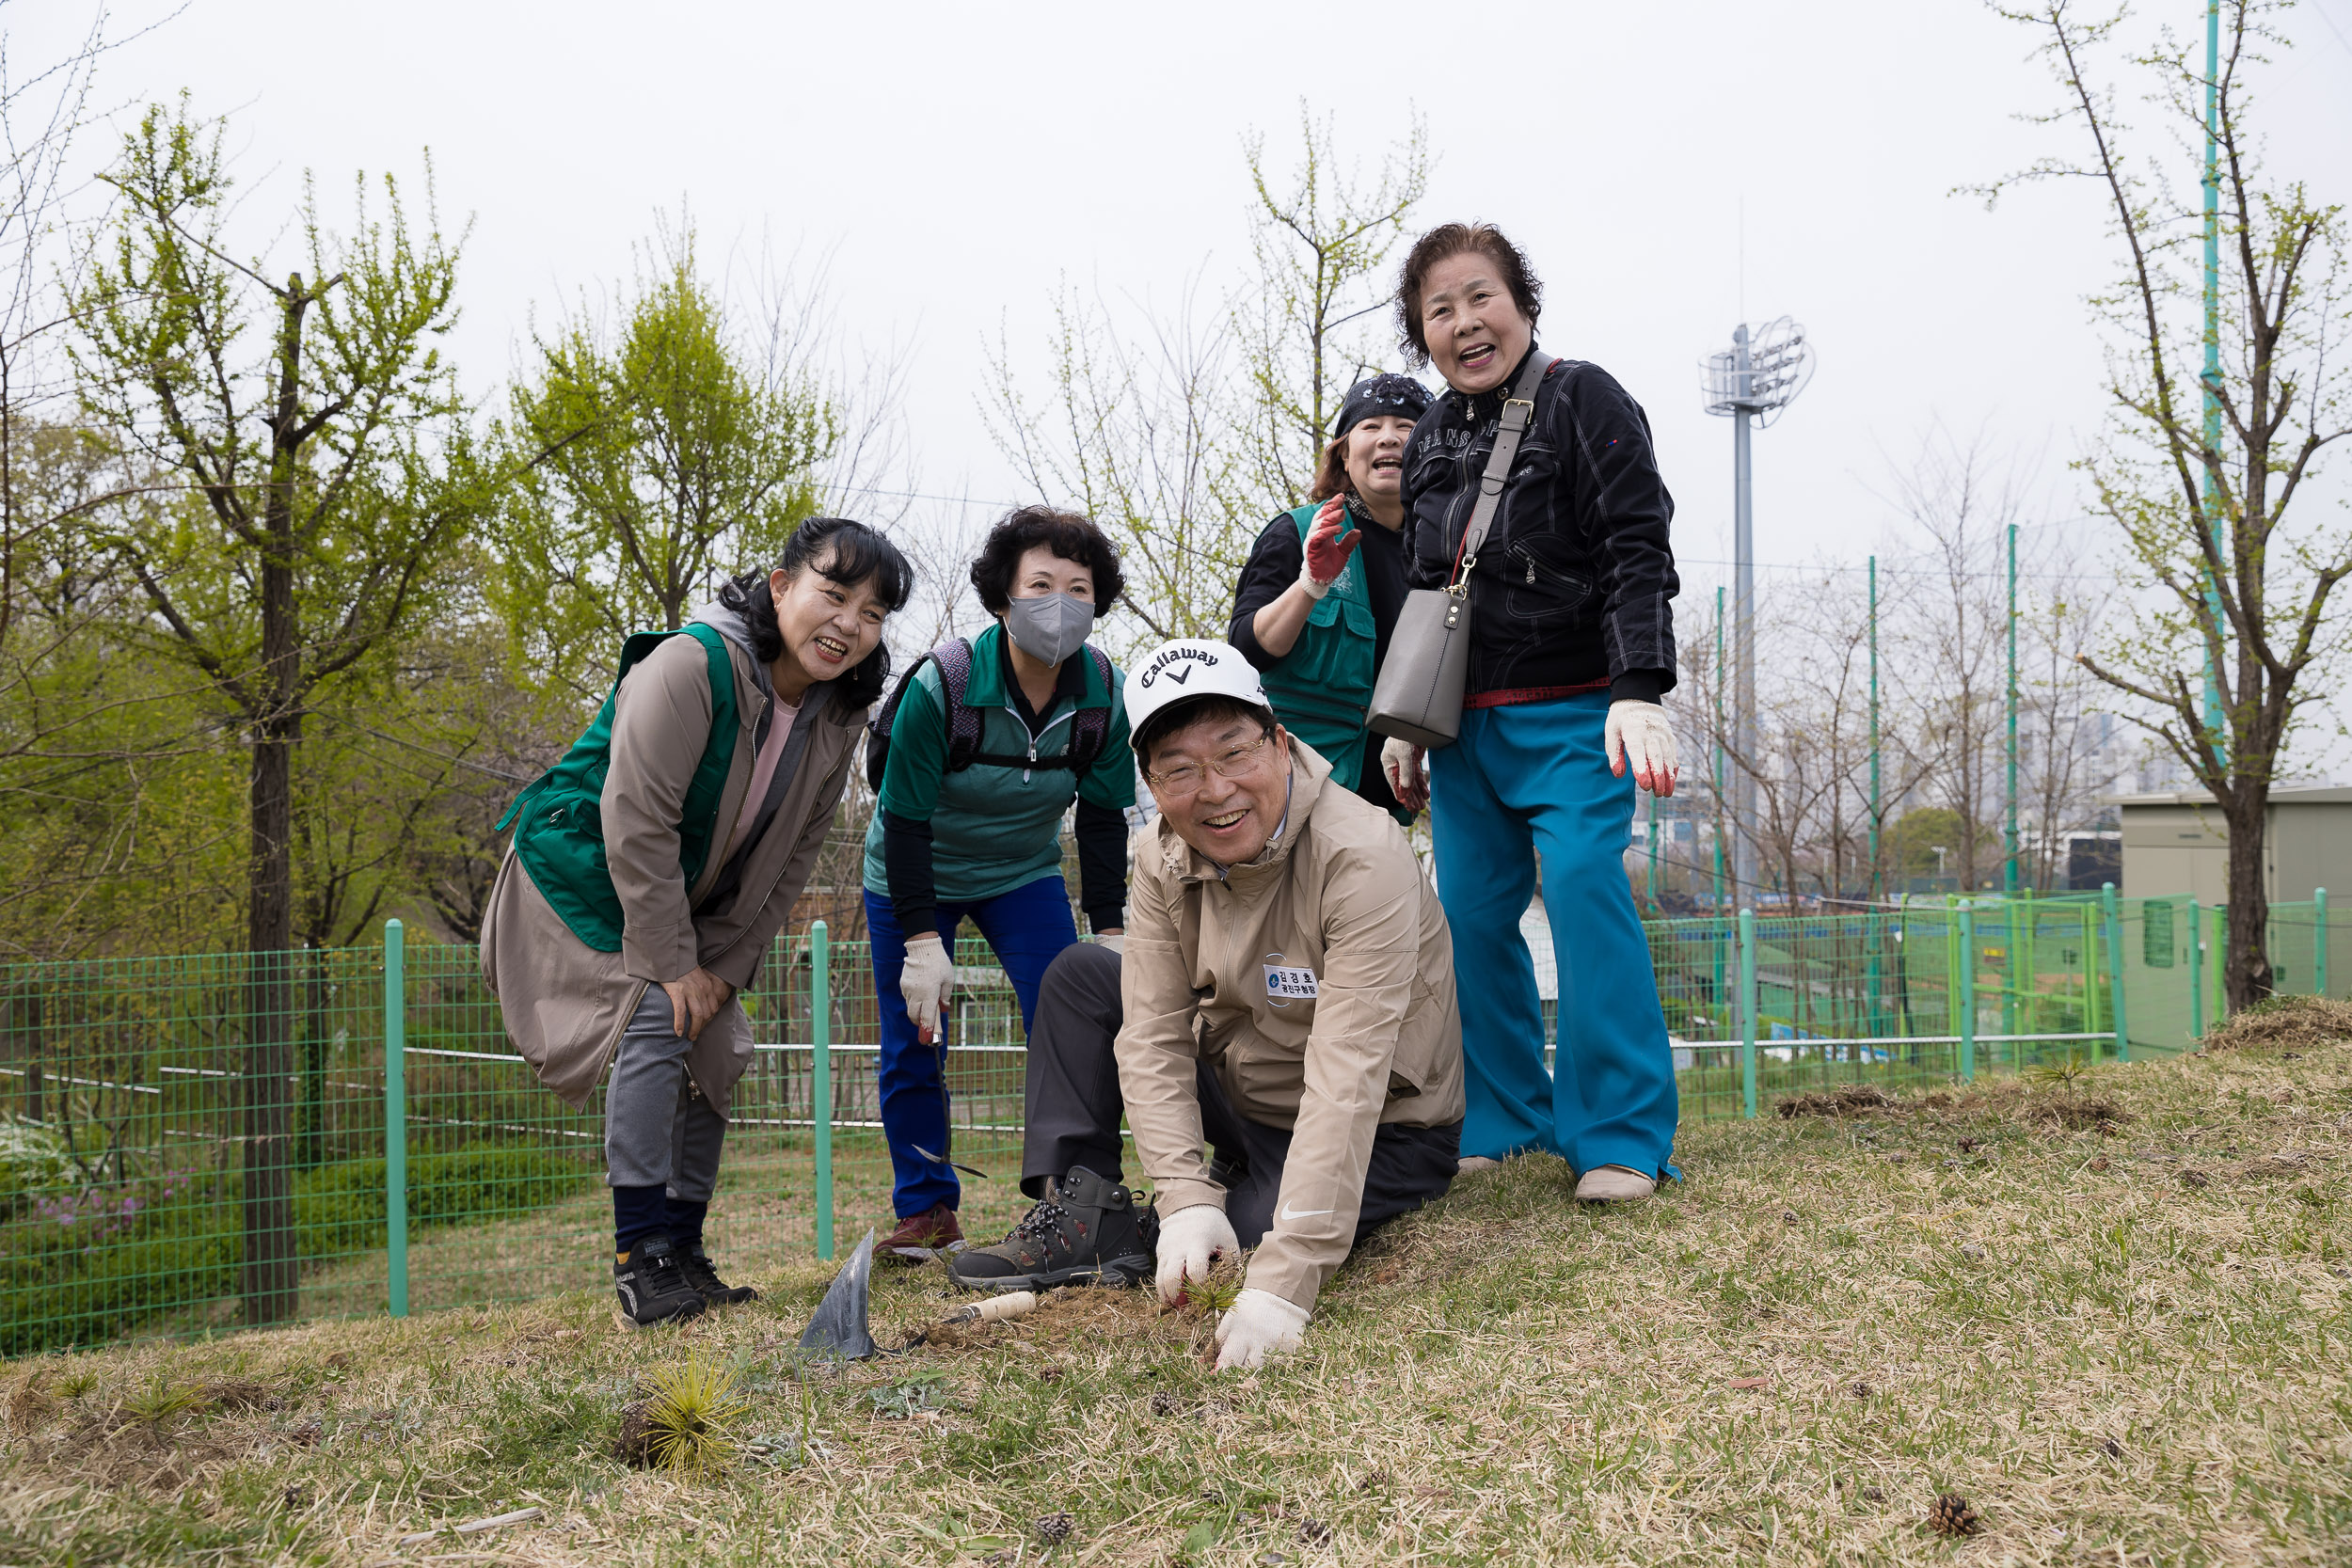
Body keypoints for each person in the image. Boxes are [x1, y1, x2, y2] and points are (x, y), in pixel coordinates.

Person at [947, 640, 1463, 1372]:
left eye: (1233, 752)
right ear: (1152, 785)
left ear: (1280, 744)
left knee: (1253, 1235)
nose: (1215, 790)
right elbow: (1153, 1031)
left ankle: (1175, 1224)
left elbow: (1350, 1075)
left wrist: (1285, 1285)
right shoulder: (1159, 857)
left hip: (1388, 1123)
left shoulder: (1362, 856)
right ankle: (1087, 1213)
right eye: (1180, 769)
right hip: (1249, 1096)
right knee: (1082, 974)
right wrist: (1186, 1192)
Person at [482, 516, 912, 1327]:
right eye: (834, 593)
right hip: (582, 871)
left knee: (719, 1036)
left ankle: (682, 1248)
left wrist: (728, 966)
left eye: (875, 612)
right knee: (658, 1015)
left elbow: (791, 864)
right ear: (781, 587)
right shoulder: (690, 664)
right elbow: (636, 820)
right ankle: (638, 1255)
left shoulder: (839, 713)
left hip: (685, 896)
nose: (851, 624)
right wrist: (677, 963)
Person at [1375, 222, 1683, 1202]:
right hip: (1466, 727)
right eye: (1439, 309)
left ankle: (1621, 1133)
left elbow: (1637, 545)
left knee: (1588, 890)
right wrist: (1403, 724)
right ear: (1420, 334)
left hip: (1577, 710)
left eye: (1480, 296)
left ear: (1523, 302)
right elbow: (1427, 586)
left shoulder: (1581, 397)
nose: (1464, 322)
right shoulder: (1426, 435)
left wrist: (1639, 687)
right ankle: (1508, 1118)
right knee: (1466, 916)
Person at [862, 506, 1135, 1261]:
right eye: (1040, 583)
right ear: (1002, 598)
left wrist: (1109, 927)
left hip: (1022, 873)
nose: (1060, 602)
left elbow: (1105, 818)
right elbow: (906, 820)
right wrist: (922, 939)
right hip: (911, 876)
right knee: (915, 1038)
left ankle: (1074, 1195)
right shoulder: (940, 688)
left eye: (1078, 587)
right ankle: (926, 1212)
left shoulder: (1103, 696)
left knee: (1069, 1016)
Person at [1226, 373, 1431, 821]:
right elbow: (1244, 649)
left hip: (1382, 801)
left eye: (1407, 427)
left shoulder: (1442, 555)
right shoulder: (1297, 532)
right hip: (1294, 789)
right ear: (1343, 450)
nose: (1389, 438)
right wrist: (1310, 585)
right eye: (1371, 426)